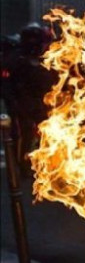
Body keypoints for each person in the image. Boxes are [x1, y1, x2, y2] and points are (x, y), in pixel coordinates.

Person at [7, 23, 56, 174]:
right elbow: (8, 82)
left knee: (46, 132)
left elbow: (52, 79)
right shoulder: (16, 57)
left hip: (41, 101)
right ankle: (23, 164)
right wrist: (12, 102)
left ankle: (44, 164)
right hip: (23, 102)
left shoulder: (45, 57)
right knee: (24, 134)